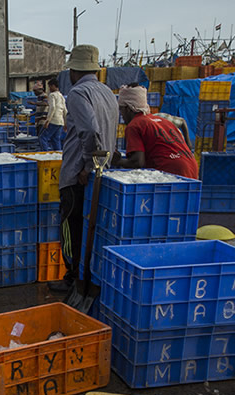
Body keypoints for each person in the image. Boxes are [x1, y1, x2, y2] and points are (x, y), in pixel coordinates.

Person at [52, 44, 118, 293]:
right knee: (88, 226)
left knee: (70, 225)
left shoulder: (78, 93)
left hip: (77, 174)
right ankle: (84, 275)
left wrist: (86, 165)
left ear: (74, 71)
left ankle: (71, 277)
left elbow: (90, 131)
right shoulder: (107, 93)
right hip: (102, 173)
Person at [111, 84, 198, 179]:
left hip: (172, 171)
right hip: (192, 167)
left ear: (128, 108)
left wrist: (117, 161)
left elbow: (137, 162)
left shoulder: (134, 125)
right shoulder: (163, 121)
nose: (121, 115)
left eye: (121, 109)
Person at [39, 78, 66, 151]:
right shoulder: (61, 96)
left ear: (54, 86)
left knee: (42, 138)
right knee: (56, 139)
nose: (49, 89)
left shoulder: (52, 95)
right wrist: (65, 123)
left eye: (50, 86)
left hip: (53, 120)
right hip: (60, 122)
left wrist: (48, 121)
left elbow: (52, 107)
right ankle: (58, 157)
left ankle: (45, 155)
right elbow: (65, 110)